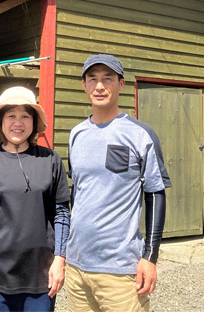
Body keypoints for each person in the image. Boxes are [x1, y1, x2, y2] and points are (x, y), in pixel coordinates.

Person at [66, 54, 172, 312]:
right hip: (76, 268)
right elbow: (77, 192)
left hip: (120, 271)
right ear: (84, 85)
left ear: (121, 84)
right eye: (92, 79)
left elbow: (155, 194)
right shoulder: (76, 134)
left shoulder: (140, 134)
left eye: (107, 79)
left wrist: (150, 257)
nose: (99, 86)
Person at [0, 86, 71, 311]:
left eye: (25, 116)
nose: (18, 123)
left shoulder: (50, 160)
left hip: (41, 278)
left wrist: (60, 259)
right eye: (11, 115)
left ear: (34, 122)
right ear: (0, 121)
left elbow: (61, 212)